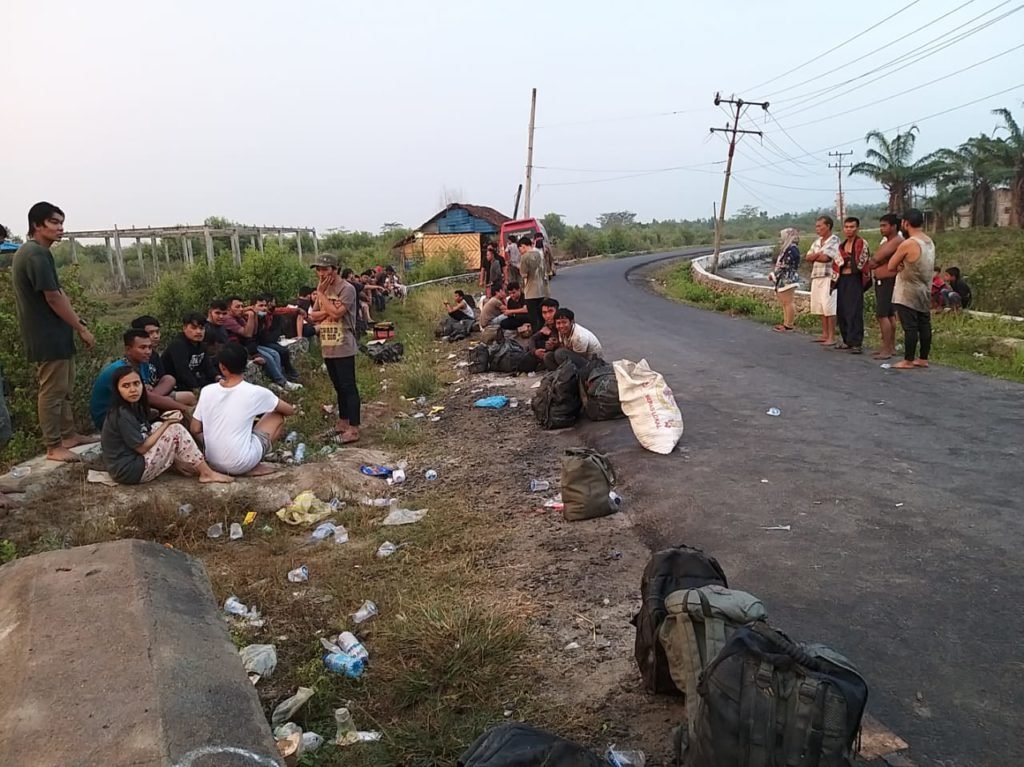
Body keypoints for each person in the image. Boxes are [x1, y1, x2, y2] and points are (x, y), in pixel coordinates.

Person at [11, 201, 97, 462]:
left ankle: (68, 435)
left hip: (56, 332)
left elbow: (59, 292)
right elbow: (53, 298)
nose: (60, 228)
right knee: (51, 391)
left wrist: (77, 323)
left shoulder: (39, 253)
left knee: (64, 387)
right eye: (54, 222)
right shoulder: (35, 254)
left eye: (61, 223)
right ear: (37, 225)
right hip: (46, 334)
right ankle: (53, 445)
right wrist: (80, 328)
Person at [101, 365, 233, 485]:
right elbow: (141, 448)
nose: (133, 390)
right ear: (117, 389)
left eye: (136, 384)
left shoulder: (134, 406)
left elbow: (146, 433)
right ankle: (206, 473)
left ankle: (189, 462)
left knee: (157, 426)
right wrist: (167, 423)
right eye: (126, 386)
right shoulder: (121, 414)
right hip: (129, 471)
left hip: (131, 463)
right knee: (175, 429)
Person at [191, 343, 295, 476]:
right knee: (277, 416)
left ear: (222, 367)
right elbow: (289, 410)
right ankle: (253, 464)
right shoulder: (256, 392)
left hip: (212, 461)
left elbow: (195, 428)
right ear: (245, 364)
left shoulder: (207, 391)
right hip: (240, 464)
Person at [89, 329, 191, 430]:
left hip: (135, 401)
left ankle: (153, 408)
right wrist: (184, 408)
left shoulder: (143, 363)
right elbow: (145, 395)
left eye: (150, 347)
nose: (148, 352)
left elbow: (145, 391)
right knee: (171, 408)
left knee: (168, 379)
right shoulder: (120, 370)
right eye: (142, 348)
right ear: (128, 349)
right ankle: (185, 410)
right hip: (111, 416)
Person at [310, 254, 361, 443]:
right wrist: (328, 310)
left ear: (335, 269)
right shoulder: (324, 290)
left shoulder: (347, 289)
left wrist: (321, 295)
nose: (321, 273)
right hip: (327, 343)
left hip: (343, 343)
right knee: (338, 386)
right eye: (318, 269)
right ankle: (343, 422)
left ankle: (354, 429)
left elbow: (337, 314)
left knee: (348, 386)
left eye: (325, 269)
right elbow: (313, 316)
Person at [888, 208, 936, 370]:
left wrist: (900, 264)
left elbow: (891, 265)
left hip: (907, 290)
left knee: (910, 327)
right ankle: (923, 358)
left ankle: (908, 360)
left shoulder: (908, 243)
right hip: (924, 289)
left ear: (906, 223)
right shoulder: (929, 241)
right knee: (924, 324)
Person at [130, 315, 198, 405]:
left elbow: (162, 378)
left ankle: (151, 403)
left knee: (171, 381)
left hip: (157, 392)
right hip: (140, 396)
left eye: (157, 332)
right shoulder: (135, 359)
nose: (156, 336)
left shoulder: (154, 356)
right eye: (151, 333)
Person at [868, 213, 903, 360]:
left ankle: (887, 349)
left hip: (888, 281)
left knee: (882, 315)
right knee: (889, 315)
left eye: (884, 225)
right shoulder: (887, 242)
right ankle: (890, 347)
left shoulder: (896, 241)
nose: (881, 228)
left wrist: (878, 262)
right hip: (883, 281)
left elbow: (874, 260)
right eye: (880, 225)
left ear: (894, 226)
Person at [834, 217, 871, 354]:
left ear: (857, 228)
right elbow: (838, 261)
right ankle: (846, 340)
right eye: (847, 227)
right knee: (842, 309)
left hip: (854, 279)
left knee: (854, 310)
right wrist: (846, 262)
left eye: (852, 227)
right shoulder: (842, 245)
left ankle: (856, 342)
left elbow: (860, 262)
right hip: (843, 279)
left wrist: (847, 262)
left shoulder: (861, 243)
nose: (849, 229)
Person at [251, 293, 303, 389]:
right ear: (253, 307)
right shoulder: (250, 317)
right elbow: (249, 337)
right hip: (252, 346)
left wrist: (297, 310)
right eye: (261, 306)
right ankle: (282, 381)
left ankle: (282, 379)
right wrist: (255, 354)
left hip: (259, 343)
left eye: (265, 305)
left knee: (275, 353)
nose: (264, 308)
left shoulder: (263, 316)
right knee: (271, 356)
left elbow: (282, 310)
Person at [805, 215, 841, 347]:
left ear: (828, 226)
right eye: (816, 226)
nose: (817, 229)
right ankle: (825, 334)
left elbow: (826, 258)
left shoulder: (834, 240)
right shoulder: (817, 242)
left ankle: (832, 336)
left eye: (820, 226)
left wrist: (815, 256)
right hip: (817, 275)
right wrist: (817, 255)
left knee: (829, 306)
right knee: (820, 306)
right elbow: (808, 257)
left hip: (829, 276)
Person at [161, 313, 219, 391]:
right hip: (174, 384)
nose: (198, 332)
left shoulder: (202, 346)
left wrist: (218, 378)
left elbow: (208, 367)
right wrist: (196, 389)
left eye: (201, 328)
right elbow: (183, 372)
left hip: (193, 380)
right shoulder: (178, 345)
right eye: (194, 328)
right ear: (184, 328)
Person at [770, 227, 801, 332]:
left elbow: (786, 265)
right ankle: (786, 323)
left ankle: (788, 325)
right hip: (784, 278)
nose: (781, 239)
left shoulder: (792, 249)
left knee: (788, 302)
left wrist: (774, 274)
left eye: (782, 236)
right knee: (785, 302)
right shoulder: (788, 248)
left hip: (788, 278)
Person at [519, 297, 560, 373]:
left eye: (550, 311)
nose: (548, 316)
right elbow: (532, 338)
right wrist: (535, 352)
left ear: (557, 311)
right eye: (544, 313)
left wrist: (551, 335)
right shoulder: (547, 324)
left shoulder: (561, 324)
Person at [519, 235, 545, 335]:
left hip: (530, 292)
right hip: (541, 290)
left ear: (523, 246)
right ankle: (543, 335)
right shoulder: (539, 254)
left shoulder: (524, 257)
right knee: (541, 317)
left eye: (520, 249)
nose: (520, 251)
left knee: (533, 319)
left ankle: (536, 337)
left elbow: (524, 275)